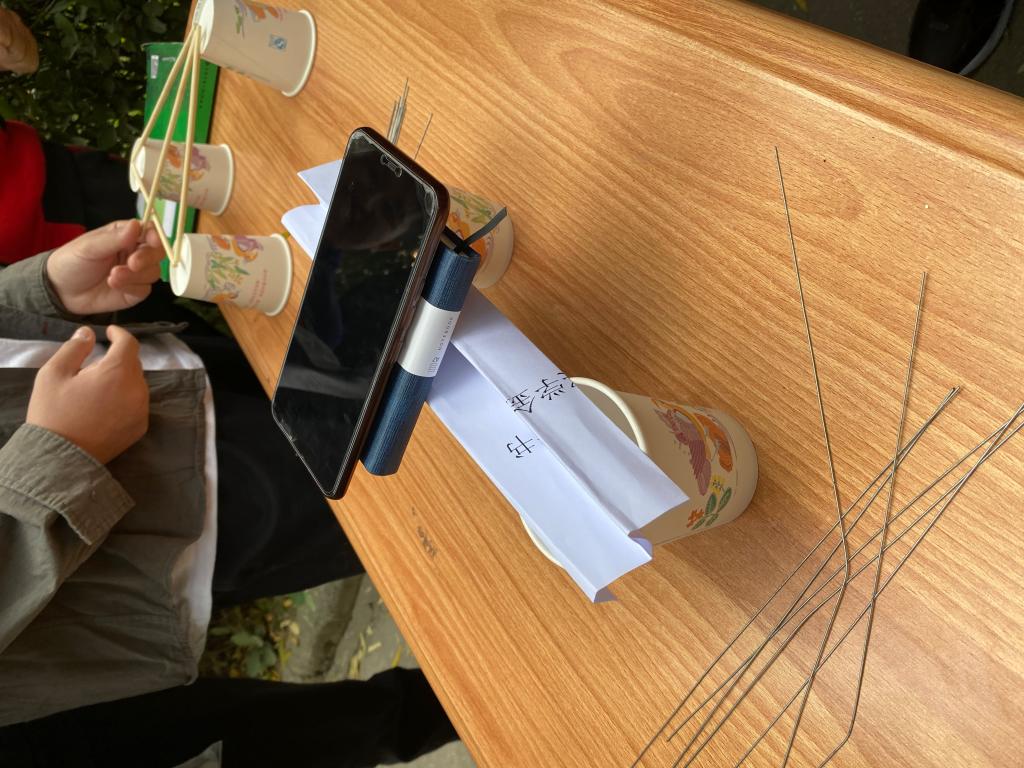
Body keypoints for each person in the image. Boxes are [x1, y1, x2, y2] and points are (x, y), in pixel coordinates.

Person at [0, 221, 457, 767]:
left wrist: (36, 294)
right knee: (451, 497)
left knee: (433, 389)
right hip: (163, 511)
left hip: (172, 374)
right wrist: (60, 454)